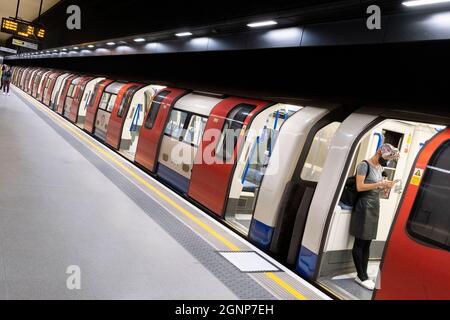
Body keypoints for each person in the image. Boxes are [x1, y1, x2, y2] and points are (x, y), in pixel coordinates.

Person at [350, 143, 400, 291]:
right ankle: (361, 276)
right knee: (360, 243)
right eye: (386, 159)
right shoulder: (364, 165)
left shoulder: (379, 168)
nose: (387, 162)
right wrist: (379, 183)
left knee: (367, 243)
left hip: (374, 205)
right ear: (379, 152)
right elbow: (360, 187)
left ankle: (363, 274)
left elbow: (375, 187)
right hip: (364, 206)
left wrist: (386, 186)